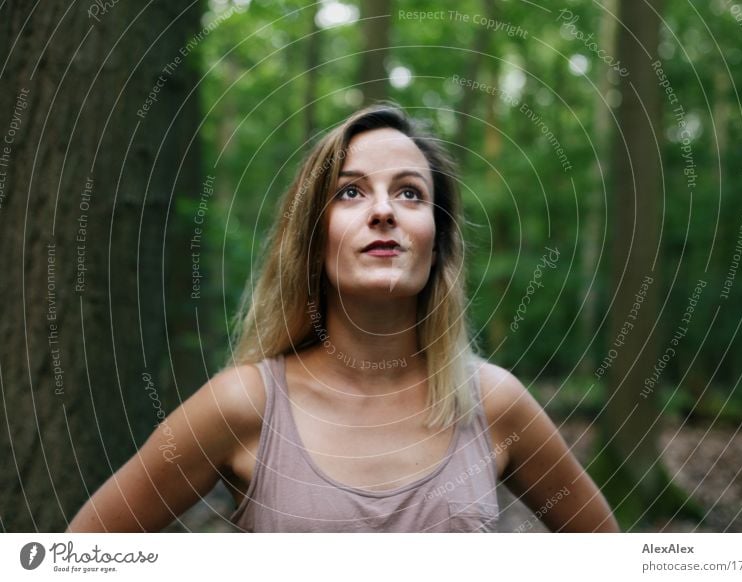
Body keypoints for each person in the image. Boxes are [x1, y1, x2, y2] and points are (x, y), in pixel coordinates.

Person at [67, 103, 619, 533]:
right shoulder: (243, 405)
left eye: (410, 192)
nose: (383, 210)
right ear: (311, 238)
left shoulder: (494, 403)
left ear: (438, 243)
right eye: (350, 192)